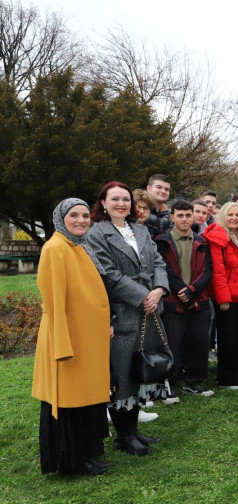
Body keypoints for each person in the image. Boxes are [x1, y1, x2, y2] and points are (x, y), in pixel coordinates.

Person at [85, 182, 169, 456]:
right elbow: (107, 273)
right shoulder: (96, 234)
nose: (121, 204)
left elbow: (158, 262)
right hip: (123, 312)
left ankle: (133, 431)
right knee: (122, 374)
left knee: (138, 371)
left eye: (125, 199)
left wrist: (158, 290)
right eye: (115, 199)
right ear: (104, 203)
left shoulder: (141, 229)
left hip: (149, 309)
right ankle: (123, 436)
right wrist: (143, 295)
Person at [32, 198, 111, 475]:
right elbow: (54, 302)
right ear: (60, 218)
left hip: (86, 338)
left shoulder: (77, 246)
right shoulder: (56, 248)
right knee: (69, 401)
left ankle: (87, 454)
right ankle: (73, 460)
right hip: (68, 340)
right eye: (73, 215)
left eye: (85, 215)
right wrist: (63, 345)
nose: (81, 220)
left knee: (84, 398)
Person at [155, 200, 215, 400]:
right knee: (172, 343)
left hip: (199, 300)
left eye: (188, 215)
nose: (184, 219)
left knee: (200, 342)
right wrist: (182, 290)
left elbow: (208, 271)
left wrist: (192, 290)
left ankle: (193, 381)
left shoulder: (202, 241)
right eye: (180, 215)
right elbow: (164, 269)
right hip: (174, 301)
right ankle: (168, 384)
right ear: (172, 217)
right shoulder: (162, 241)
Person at [203, 201, 238, 389]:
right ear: (223, 216)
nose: (234, 218)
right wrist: (223, 297)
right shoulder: (218, 237)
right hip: (229, 298)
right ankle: (227, 378)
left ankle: (236, 374)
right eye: (230, 215)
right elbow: (218, 271)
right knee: (228, 339)